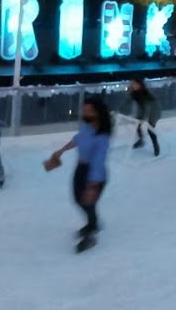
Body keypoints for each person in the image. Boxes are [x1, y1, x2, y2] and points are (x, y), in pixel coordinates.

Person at [47, 97, 112, 253]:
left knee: (88, 202)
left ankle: (91, 234)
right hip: (81, 169)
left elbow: (98, 162)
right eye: (84, 109)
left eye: (88, 110)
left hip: (95, 174)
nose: (84, 112)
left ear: (97, 113)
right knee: (78, 199)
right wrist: (62, 150)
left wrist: (92, 187)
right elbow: (78, 139)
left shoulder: (102, 136)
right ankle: (93, 223)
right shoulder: (86, 126)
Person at [126, 79, 162, 157]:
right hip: (145, 110)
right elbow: (127, 101)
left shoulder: (145, 93)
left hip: (154, 111)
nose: (133, 85)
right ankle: (141, 141)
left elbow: (147, 107)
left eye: (135, 84)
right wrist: (119, 110)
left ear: (140, 85)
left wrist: (143, 119)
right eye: (132, 84)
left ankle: (156, 146)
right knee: (137, 125)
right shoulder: (134, 93)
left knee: (150, 130)